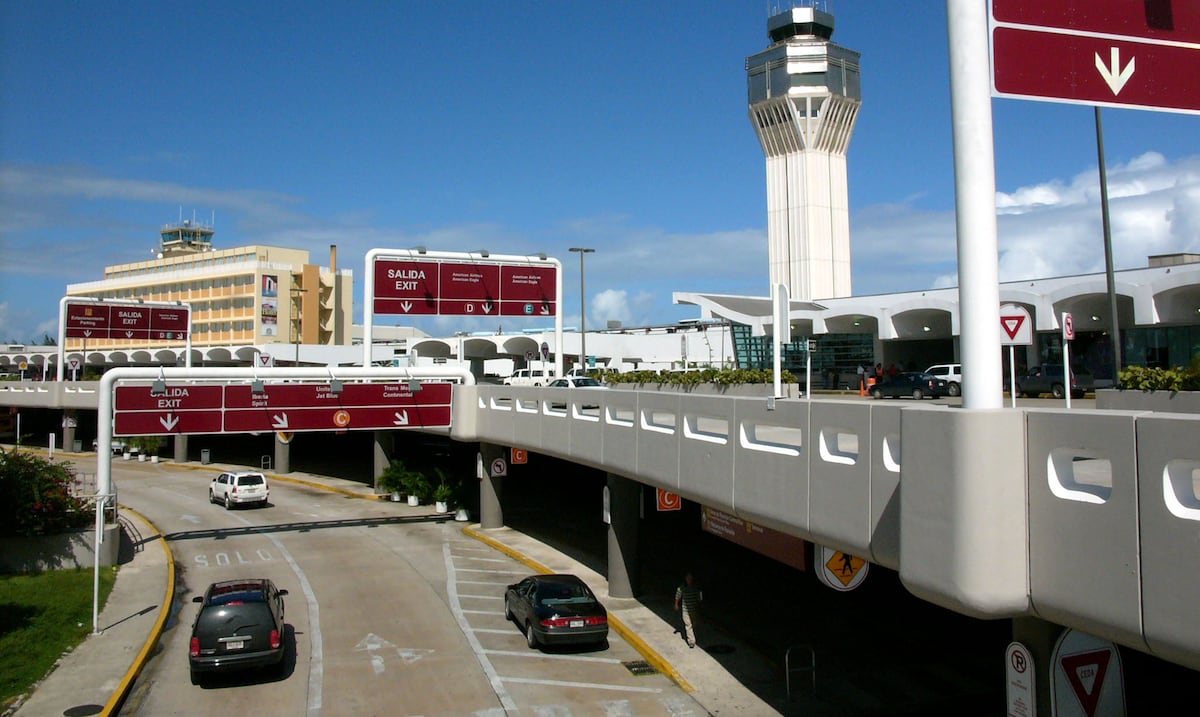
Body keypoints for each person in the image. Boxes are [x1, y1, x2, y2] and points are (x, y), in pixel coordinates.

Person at [674, 572, 703, 648]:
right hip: (686, 610)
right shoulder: (682, 588)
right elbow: (678, 596)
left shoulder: (696, 588)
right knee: (688, 625)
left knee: (694, 624)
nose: (689, 580)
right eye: (688, 579)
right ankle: (691, 641)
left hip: (694, 610)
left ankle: (692, 636)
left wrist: (699, 605)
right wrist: (676, 604)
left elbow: (699, 598)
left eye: (690, 579)